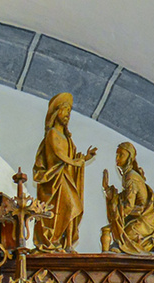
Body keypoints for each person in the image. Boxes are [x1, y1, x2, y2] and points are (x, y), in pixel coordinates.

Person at [32, 93, 96, 251]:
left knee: (72, 207)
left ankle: (67, 244)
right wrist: (75, 161)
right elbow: (59, 154)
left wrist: (84, 158)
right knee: (71, 205)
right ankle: (54, 240)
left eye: (69, 111)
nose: (67, 114)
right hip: (55, 180)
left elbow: (71, 158)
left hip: (66, 178)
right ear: (56, 112)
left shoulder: (68, 138)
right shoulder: (52, 133)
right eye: (65, 110)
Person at [100, 142, 154, 254]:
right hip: (135, 216)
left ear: (130, 158)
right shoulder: (127, 175)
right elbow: (124, 197)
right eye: (117, 154)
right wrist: (108, 190)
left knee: (124, 241)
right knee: (119, 236)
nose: (117, 158)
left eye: (121, 155)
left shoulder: (131, 177)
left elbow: (129, 206)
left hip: (145, 218)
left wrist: (116, 211)